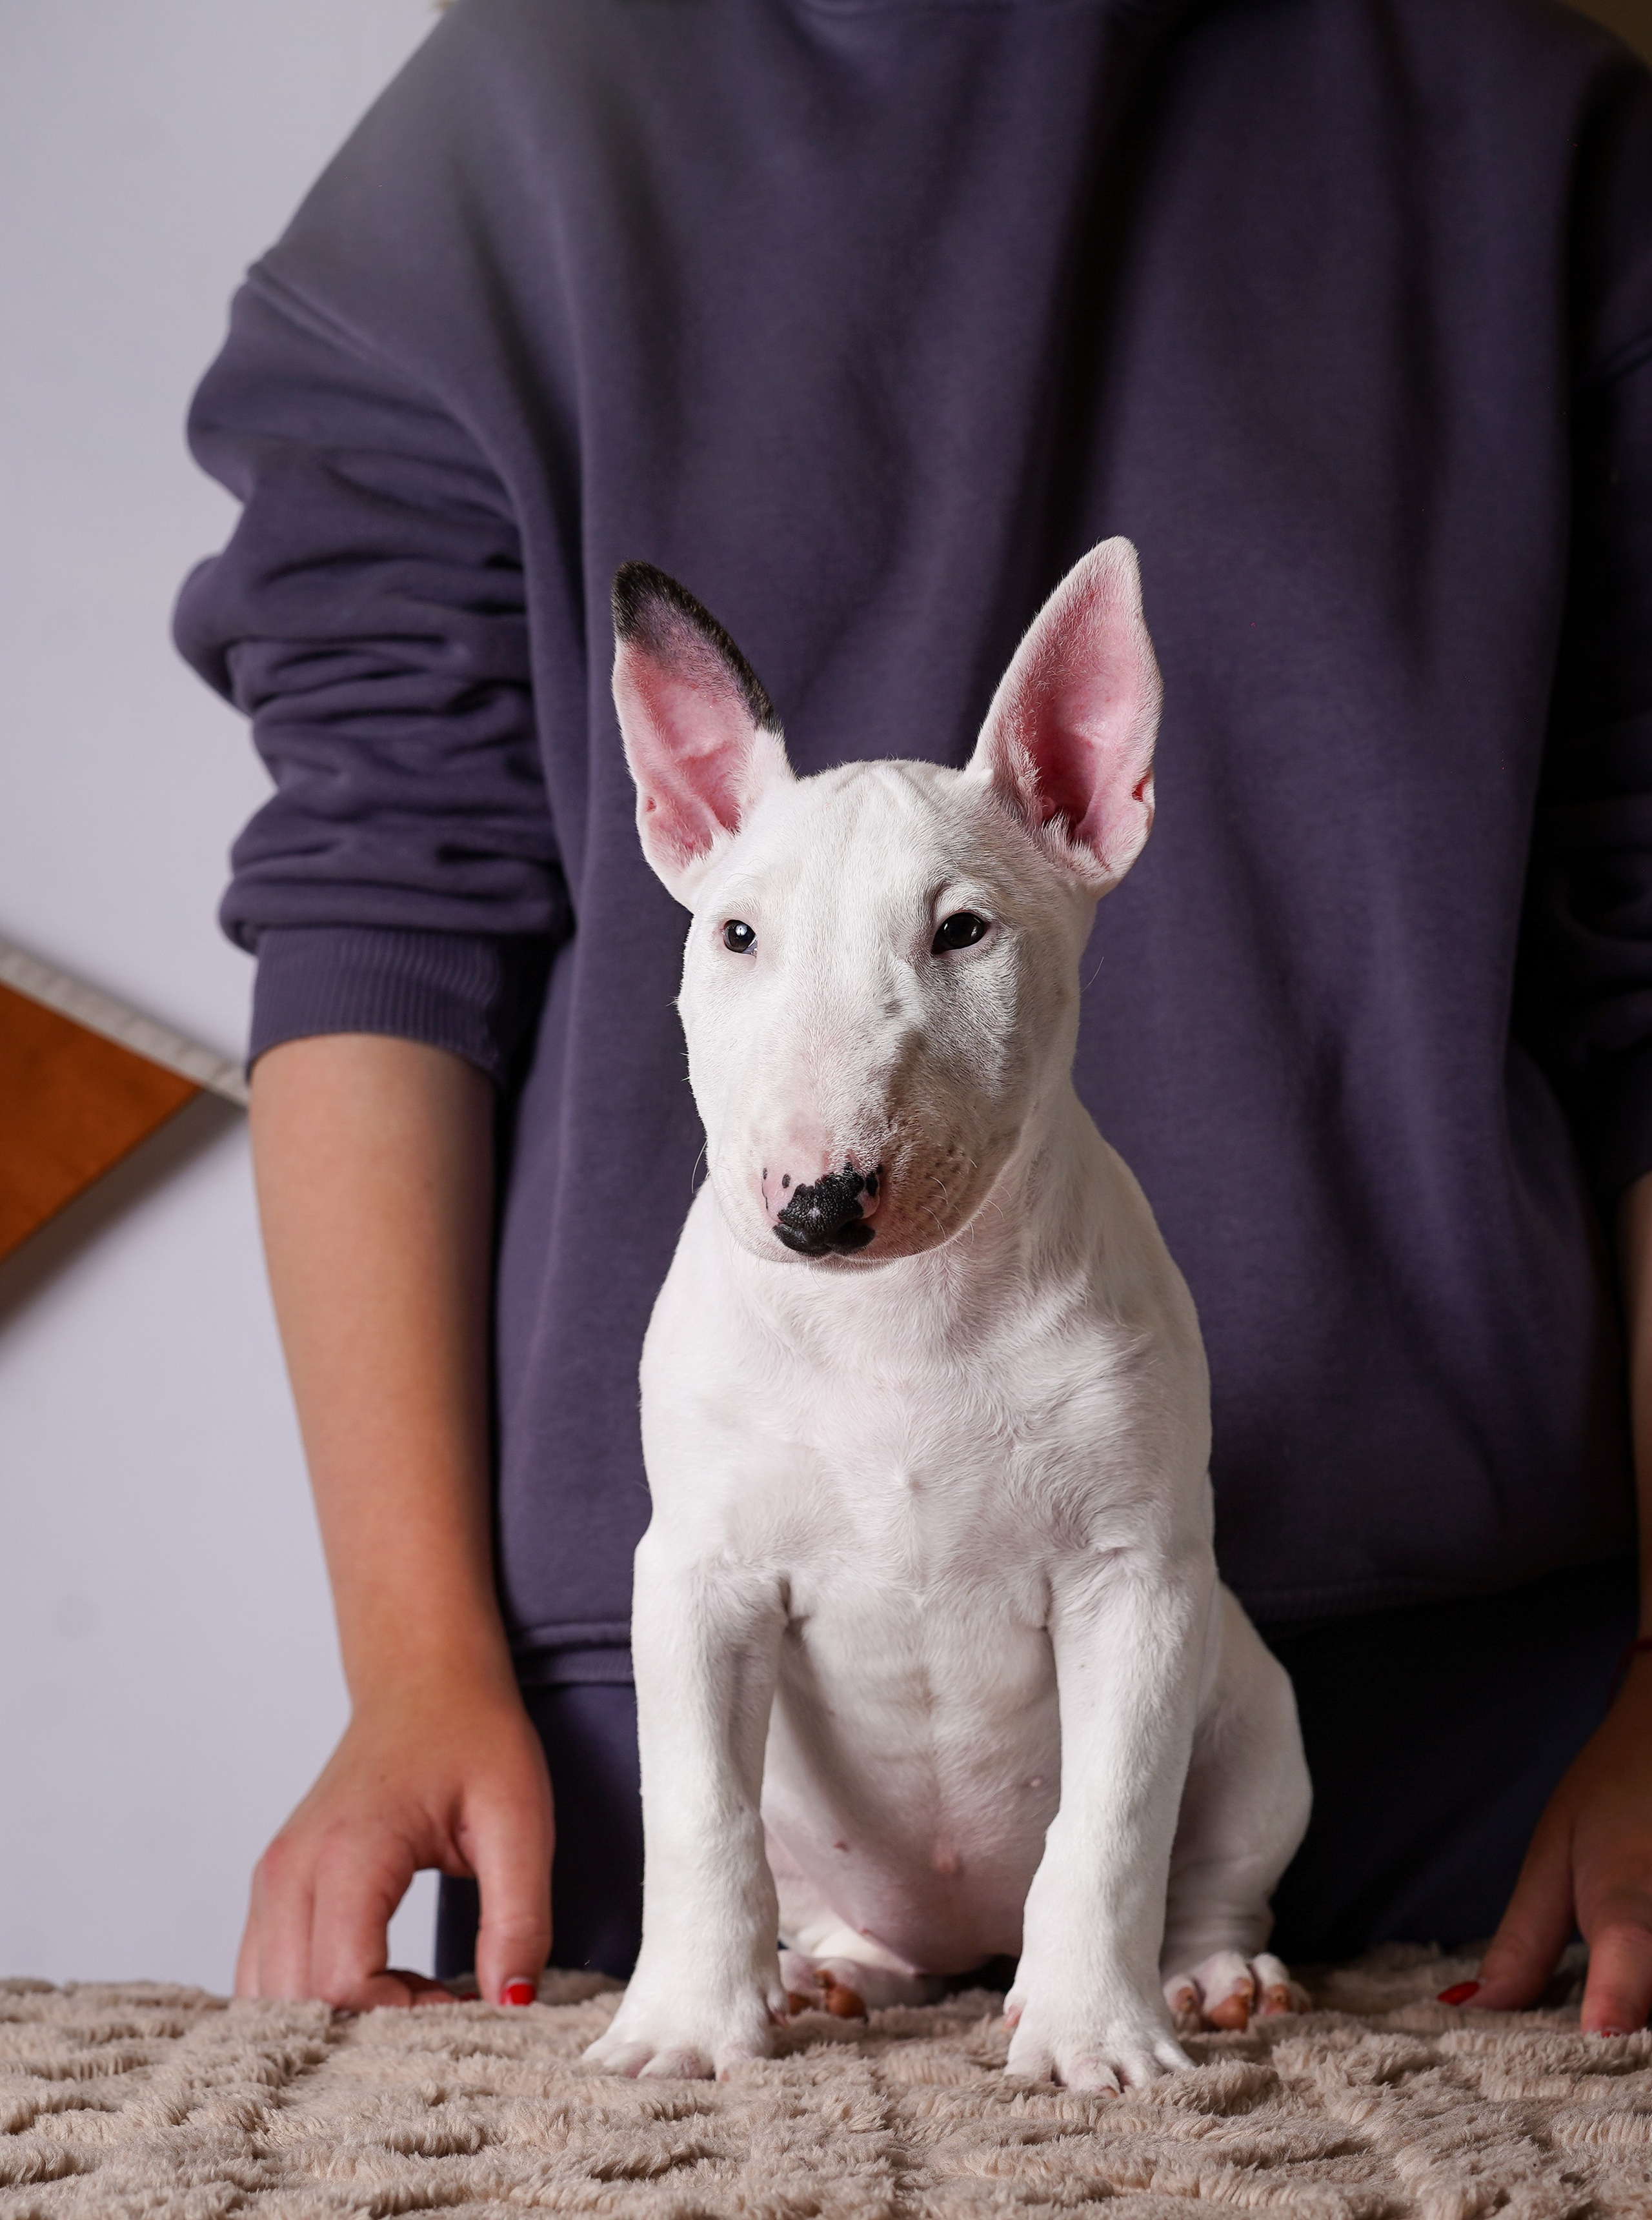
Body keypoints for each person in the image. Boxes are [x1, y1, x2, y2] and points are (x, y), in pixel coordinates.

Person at [175, 0, 1652, 2032]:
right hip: (685, 1806)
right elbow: (378, 893)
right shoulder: (505, 145)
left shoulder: (1541, 139)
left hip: (1520, 1767)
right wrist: (410, 1658)